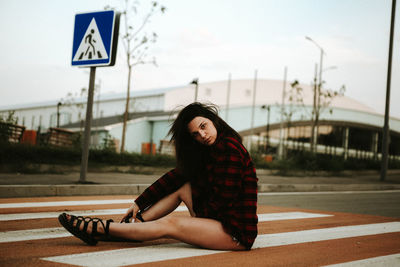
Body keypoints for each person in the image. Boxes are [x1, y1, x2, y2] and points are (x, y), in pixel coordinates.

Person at [58, 102, 258, 251]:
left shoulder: (229, 148)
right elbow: (175, 177)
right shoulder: (211, 150)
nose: (202, 135)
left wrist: (197, 218)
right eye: (195, 134)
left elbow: (223, 201)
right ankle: (137, 226)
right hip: (217, 219)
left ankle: (101, 229)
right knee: (183, 185)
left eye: (203, 126)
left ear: (213, 121)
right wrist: (139, 203)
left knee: (170, 224)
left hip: (235, 233)